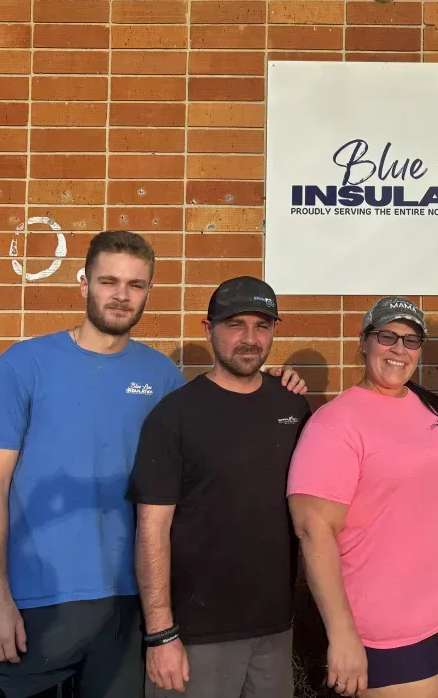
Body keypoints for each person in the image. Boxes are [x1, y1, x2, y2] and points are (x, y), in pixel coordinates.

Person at [0, 231, 307, 698]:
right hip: (37, 601)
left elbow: (217, 418)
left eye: (136, 285)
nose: (122, 295)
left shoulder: (161, 376)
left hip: (127, 606)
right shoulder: (25, 364)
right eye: (109, 281)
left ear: (148, 292)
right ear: (85, 284)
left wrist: (275, 380)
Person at [129, 276, 311, 698]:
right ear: (207, 329)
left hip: (274, 629)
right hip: (196, 636)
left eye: (262, 326)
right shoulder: (173, 416)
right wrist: (161, 634)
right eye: (235, 324)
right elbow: (151, 530)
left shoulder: (292, 406)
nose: (249, 338)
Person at [287, 297, 438, 698]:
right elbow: (312, 530)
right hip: (384, 631)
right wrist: (342, 634)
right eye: (386, 336)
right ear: (365, 342)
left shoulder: (431, 408)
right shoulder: (335, 423)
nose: (399, 349)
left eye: (411, 340)